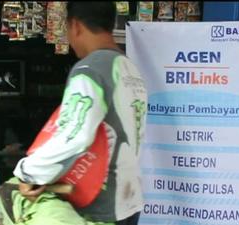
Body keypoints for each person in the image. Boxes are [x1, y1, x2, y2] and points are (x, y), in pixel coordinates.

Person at [12, 2, 147, 225]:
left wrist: (29, 172)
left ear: (74, 26)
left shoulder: (90, 70)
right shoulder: (129, 68)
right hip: (129, 203)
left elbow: (74, 135)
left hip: (99, 208)